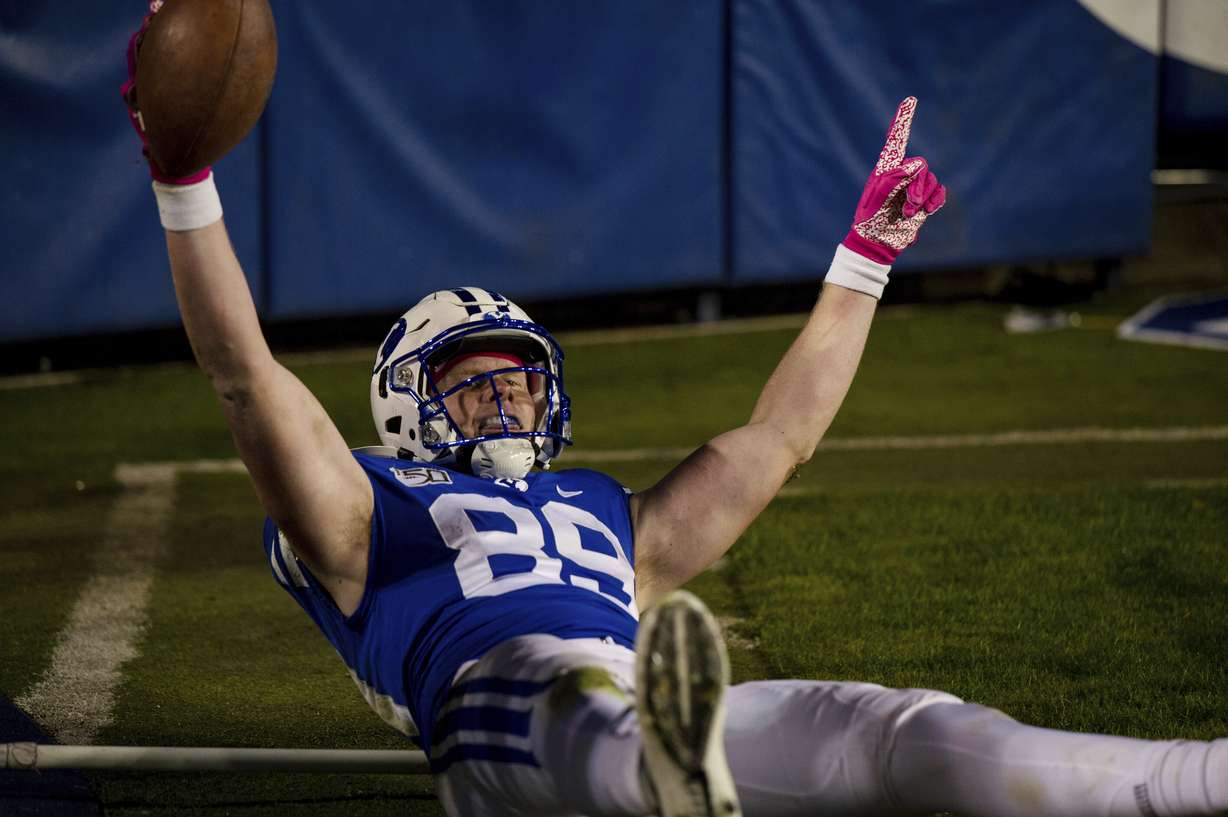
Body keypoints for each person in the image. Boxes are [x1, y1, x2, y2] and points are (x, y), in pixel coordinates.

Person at [122, 7, 1226, 817]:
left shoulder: (614, 519)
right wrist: (185, 183)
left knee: (899, 728)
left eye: (517, 373)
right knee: (564, 704)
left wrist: (864, 262)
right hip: (498, 711)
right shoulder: (367, 509)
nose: (505, 390)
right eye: (472, 377)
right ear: (406, 408)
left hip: (649, 700)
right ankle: (664, 776)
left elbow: (778, 439)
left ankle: (1198, 772)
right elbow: (242, 373)